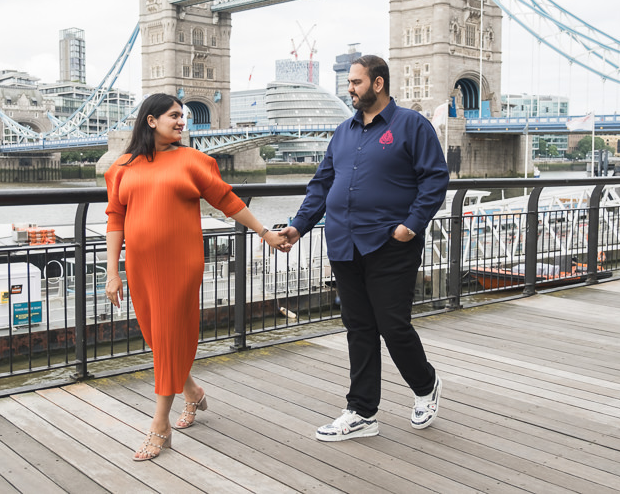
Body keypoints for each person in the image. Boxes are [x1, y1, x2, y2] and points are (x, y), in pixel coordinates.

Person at [104, 93, 286, 461]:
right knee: (158, 338)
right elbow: (115, 219)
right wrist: (112, 271)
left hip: (181, 263)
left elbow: (228, 201)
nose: (182, 121)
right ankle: (192, 392)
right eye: (174, 116)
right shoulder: (121, 166)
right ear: (151, 120)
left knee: (170, 335)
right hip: (139, 265)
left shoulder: (194, 161)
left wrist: (265, 233)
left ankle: (160, 426)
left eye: (183, 116)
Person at [278, 55, 449, 441]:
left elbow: (435, 179)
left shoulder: (412, 126)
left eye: (355, 82)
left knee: (392, 325)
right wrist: (298, 226)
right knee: (359, 327)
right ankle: (362, 412)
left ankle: (425, 385)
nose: (349, 89)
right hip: (343, 243)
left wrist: (411, 226)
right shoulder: (343, 132)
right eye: (349, 82)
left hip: (390, 244)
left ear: (378, 83)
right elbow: (321, 185)